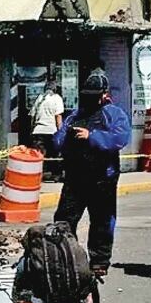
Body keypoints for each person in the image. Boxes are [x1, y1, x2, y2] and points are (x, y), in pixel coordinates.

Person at [51, 73, 131, 277]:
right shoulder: (74, 115)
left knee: (102, 220)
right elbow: (58, 141)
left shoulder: (113, 113)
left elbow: (120, 138)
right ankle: (67, 256)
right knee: (64, 219)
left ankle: (99, 261)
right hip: (75, 177)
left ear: (104, 95)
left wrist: (92, 136)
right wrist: (65, 137)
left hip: (102, 177)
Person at [29, 81, 64, 181]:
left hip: (38, 131)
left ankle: (37, 176)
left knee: (39, 156)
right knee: (54, 155)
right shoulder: (57, 98)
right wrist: (60, 131)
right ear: (55, 89)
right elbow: (58, 116)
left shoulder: (39, 98)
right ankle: (56, 175)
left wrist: (32, 130)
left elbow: (32, 116)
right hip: (51, 131)